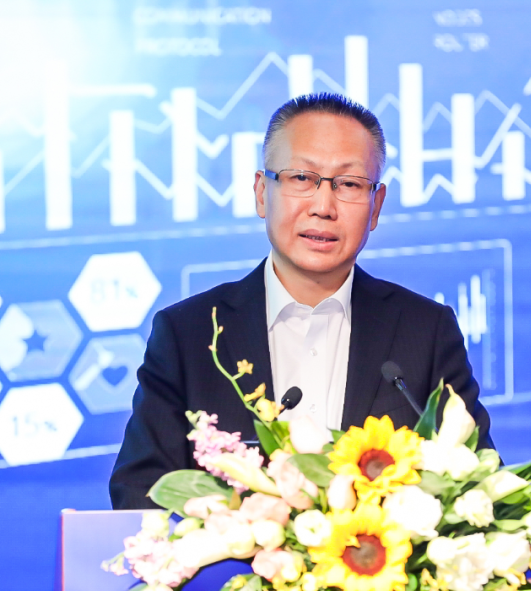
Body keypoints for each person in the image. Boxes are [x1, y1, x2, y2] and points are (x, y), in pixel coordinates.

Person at [110, 93, 493, 509]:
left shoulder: (426, 331)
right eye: (301, 179)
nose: (323, 207)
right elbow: (140, 495)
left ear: (376, 206)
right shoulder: (188, 335)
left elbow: (476, 486)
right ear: (262, 192)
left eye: (349, 184)